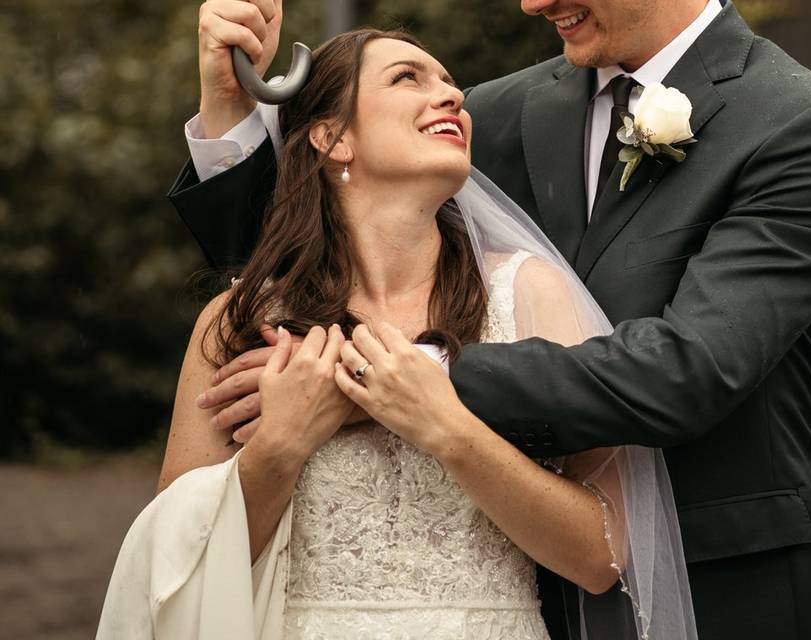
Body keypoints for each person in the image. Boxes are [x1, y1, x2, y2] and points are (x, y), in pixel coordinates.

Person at [169, 1, 811, 638]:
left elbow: (689, 370)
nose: (532, 4)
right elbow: (316, 233)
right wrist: (231, 109)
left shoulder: (801, 122)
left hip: (733, 591)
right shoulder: (496, 113)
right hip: (513, 594)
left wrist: (402, 380)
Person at [98, 29, 695, 640]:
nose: (452, 95)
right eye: (408, 77)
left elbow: (602, 557)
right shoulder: (241, 319)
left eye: (448, 82)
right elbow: (177, 562)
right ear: (332, 138)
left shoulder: (531, 294)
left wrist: (445, 425)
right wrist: (279, 447)